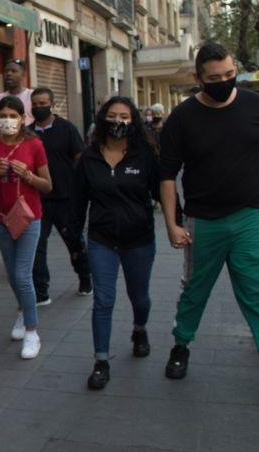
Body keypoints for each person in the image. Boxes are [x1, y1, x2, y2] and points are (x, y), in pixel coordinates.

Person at [160, 42, 259, 400]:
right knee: (195, 290)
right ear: (199, 78)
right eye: (215, 78)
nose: (224, 82)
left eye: (230, 75)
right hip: (203, 222)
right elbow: (167, 175)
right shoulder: (182, 119)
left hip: (250, 216)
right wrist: (172, 223)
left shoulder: (254, 106)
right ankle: (181, 346)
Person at [69, 97, 161, 390]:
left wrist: (177, 222)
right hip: (101, 240)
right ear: (103, 119)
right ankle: (101, 361)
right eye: (112, 115)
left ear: (133, 120)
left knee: (140, 297)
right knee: (103, 300)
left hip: (139, 239)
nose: (118, 121)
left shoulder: (144, 155)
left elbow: (163, 190)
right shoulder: (89, 158)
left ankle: (139, 329)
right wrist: (73, 235)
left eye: (124, 116)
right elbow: (78, 199)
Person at [0, 96, 52, 359]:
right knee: (12, 274)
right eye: (3, 115)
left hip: (30, 217)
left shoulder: (34, 145)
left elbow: (47, 185)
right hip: (2, 218)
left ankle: (32, 332)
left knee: (22, 275)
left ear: (23, 118)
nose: (7, 120)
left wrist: (28, 176)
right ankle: (23, 312)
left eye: (13, 115)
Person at [29, 87, 91, 303]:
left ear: (52, 104)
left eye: (43, 103)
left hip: (65, 199)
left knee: (74, 242)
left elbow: (80, 158)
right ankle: (41, 291)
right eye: (35, 104)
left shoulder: (67, 129)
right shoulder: (27, 133)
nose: (39, 107)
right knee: (37, 247)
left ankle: (85, 277)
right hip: (38, 201)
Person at [0, 58, 35, 126]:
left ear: (23, 75)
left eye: (13, 71)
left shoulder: (32, 96)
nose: (9, 74)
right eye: (6, 71)